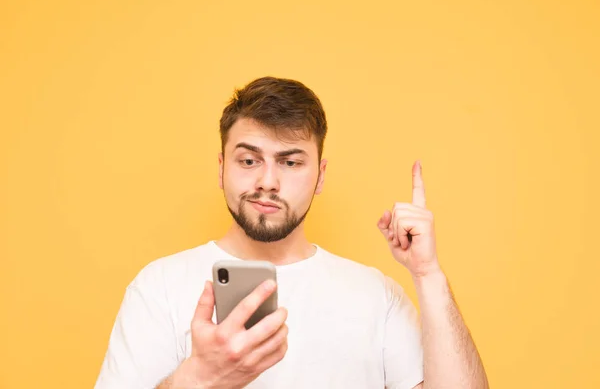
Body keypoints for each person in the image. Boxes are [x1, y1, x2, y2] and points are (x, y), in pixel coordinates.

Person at [94, 77, 489, 389]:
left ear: (320, 176)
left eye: (290, 162)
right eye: (248, 160)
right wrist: (198, 379)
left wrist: (428, 275)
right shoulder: (158, 286)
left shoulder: (377, 296)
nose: (268, 181)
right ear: (220, 167)